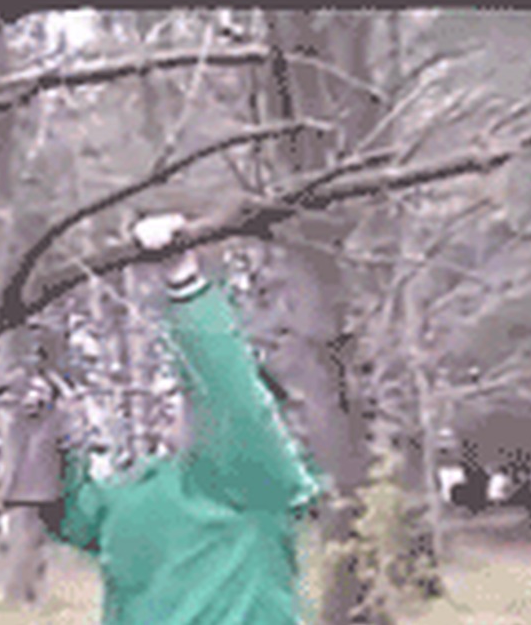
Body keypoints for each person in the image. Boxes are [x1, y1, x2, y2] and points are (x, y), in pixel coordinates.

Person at [42, 213, 323, 624]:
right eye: (182, 395)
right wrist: (53, 434)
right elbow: (71, 517)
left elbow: (231, 392)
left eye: (191, 396)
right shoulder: (136, 490)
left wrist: (184, 281)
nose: (179, 403)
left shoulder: (255, 482)